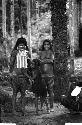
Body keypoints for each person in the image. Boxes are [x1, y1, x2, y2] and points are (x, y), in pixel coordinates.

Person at [9, 37, 31, 115]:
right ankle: (14, 110)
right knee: (14, 93)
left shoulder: (27, 53)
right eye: (20, 44)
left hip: (23, 77)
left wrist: (28, 76)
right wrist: (10, 74)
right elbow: (11, 64)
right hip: (15, 76)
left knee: (23, 94)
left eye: (23, 45)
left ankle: (23, 109)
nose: (21, 46)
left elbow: (29, 64)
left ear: (25, 45)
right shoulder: (14, 52)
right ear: (17, 45)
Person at [38, 39, 54, 112]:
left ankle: (51, 107)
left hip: (50, 75)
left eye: (48, 44)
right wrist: (44, 61)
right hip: (42, 75)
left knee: (50, 91)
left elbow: (51, 60)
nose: (46, 46)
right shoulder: (41, 52)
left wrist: (43, 61)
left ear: (50, 45)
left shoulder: (51, 52)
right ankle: (42, 106)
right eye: (45, 44)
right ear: (43, 45)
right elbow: (38, 62)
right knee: (43, 91)